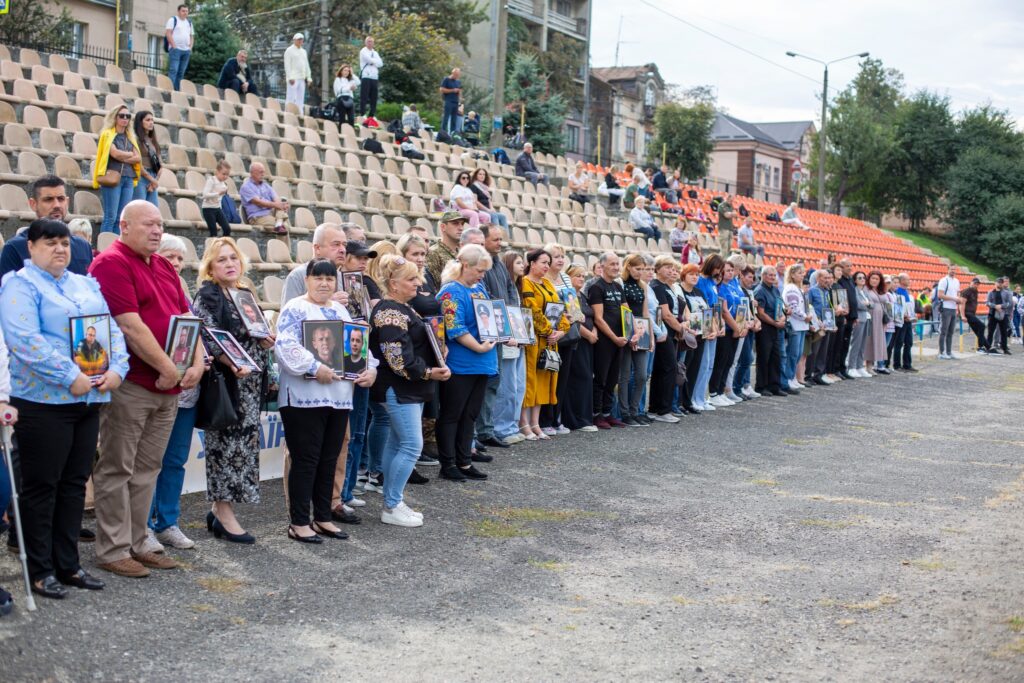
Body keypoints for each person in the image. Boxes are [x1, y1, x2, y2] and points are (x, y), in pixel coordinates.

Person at [0, 219, 127, 599]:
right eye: (50, 243)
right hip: (43, 401)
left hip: (88, 397)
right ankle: (40, 570)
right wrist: (69, 374)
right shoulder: (19, 285)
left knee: (74, 485)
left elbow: (110, 330)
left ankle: (68, 564)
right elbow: (24, 339)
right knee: (42, 487)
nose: (59, 249)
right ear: (32, 247)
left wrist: (118, 368)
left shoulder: (84, 284)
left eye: (64, 243)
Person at [88, 200, 204, 578]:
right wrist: (169, 368)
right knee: (117, 468)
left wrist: (198, 362)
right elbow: (130, 326)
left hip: (168, 386)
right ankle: (112, 548)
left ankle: (139, 541)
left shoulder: (165, 267)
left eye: (160, 224)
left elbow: (188, 317)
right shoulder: (111, 263)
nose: (156, 231)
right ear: (124, 226)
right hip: (134, 384)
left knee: (146, 469)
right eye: (148, 224)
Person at [276, 259, 375, 543]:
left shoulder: (340, 309)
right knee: (306, 460)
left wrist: (370, 369)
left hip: (339, 396)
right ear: (307, 280)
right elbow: (285, 345)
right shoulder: (295, 307)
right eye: (318, 278)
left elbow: (356, 343)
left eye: (330, 279)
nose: (324, 283)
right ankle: (298, 522)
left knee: (329, 459)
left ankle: (322, 517)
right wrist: (312, 366)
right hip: (303, 397)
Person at [191, 238, 273, 544]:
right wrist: (231, 361)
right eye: (222, 259)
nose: (229, 264)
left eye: (233, 258)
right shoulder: (207, 296)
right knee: (223, 449)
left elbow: (256, 331)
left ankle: (219, 509)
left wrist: (266, 340)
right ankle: (224, 514)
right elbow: (209, 336)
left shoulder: (245, 293)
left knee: (244, 450)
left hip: (250, 385)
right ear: (210, 267)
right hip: (226, 385)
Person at [370, 255, 450, 527]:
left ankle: (393, 502)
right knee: (411, 445)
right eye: (411, 279)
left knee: (397, 443)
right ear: (394, 284)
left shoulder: (403, 308)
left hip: (408, 388)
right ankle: (392, 505)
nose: (419, 283)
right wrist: (430, 371)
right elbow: (397, 359)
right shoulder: (389, 312)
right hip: (399, 387)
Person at [144, 234, 200, 551]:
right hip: (158, 387)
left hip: (187, 392)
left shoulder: (183, 295)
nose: (176, 263)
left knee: (175, 460)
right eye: (170, 256)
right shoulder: (150, 290)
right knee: (151, 460)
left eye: (180, 258)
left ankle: (168, 522)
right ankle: (146, 524)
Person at [435, 245, 496, 481]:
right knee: (452, 414)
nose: (482, 275)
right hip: (462, 362)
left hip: (482, 361)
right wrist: (479, 347)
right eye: (479, 270)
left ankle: (465, 461)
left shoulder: (478, 288)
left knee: (470, 415)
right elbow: (454, 327)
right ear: (465, 265)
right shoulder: (451, 291)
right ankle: (448, 463)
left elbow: (490, 319)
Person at [0, 176, 93, 282]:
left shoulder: (83, 246)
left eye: (61, 199)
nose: (57, 205)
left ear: (67, 202)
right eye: (48, 199)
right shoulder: (14, 248)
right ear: (33, 204)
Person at [519, 249, 569, 440]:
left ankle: (536, 423)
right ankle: (523, 423)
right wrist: (549, 331)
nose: (547, 266)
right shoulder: (525, 282)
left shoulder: (548, 283)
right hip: (534, 339)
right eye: (543, 262)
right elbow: (532, 309)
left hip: (550, 340)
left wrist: (561, 331)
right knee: (530, 379)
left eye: (549, 262)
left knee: (543, 380)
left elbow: (560, 310)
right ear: (531, 263)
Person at [588, 252, 627, 429]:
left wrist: (632, 333)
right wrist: (614, 337)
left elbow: (627, 313)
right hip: (605, 341)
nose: (616, 267)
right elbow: (598, 318)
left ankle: (607, 412)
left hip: (620, 340)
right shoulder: (597, 287)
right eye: (612, 264)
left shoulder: (618, 287)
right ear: (602, 266)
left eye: (617, 264)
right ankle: (596, 415)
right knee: (601, 379)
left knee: (613, 379)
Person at [93, 104, 142, 235]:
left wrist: (124, 156)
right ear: (115, 117)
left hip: (129, 178)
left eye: (128, 116)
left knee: (121, 217)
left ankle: (115, 247)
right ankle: (105, 248)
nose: (125, 119)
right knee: (110, 216)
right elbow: (115, 154)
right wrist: (129, 155)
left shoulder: (130, 136)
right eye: (122, 116)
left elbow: (138, 158)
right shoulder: (108, 134)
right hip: (113, 177)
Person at [562, 263, 597, 432]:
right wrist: (589, 334)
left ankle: (585, 417)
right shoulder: (569, 295)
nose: (581, 279)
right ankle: (576, 419)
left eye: (583, 276)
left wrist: (594, 331)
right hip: (577, 340)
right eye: (577, 276)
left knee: (586, 377)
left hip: (588, 343)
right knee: (579, 378)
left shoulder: (582, 295)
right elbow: (575, 319)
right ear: (568, 277)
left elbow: (590, 316)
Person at [616, 254, 650, 426]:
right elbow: (624, 309)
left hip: (641, 330)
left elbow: (645, 312)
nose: (640, 272)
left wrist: (648, 335)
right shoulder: (620, 283)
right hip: (626, 329)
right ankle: (624, 412)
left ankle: (635, 409)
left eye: (643, 269)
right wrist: (631, 334)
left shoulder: (643, 285)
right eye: (638, 269)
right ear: (628, 267)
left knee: (642, 375)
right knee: (624, 375)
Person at [649, 255, 683, 422]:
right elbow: (666, 315)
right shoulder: (657, 287)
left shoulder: (666, 287)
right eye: (667, 267)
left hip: (671, 331)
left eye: (673, 267)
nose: (671, 270)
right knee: (668, 368)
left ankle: (657, 408)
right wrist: (681, 329)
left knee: (663, 369)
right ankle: (663, 410)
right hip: (663, 331)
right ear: (658, 269)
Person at [753, 266, 786, 396]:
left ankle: (774, 385)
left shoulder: (775, 289)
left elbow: (780, 306)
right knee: (764, 358)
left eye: (774, 275)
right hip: (766, 328)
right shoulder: (760, 291)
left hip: (775, 328)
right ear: (763, 276)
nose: (773, 277)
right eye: (770, 275)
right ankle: (761, 386)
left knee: (775, 357)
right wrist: (774, 323)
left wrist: (783, 317)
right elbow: (760, 313)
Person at [239, 162, 290, 236]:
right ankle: (279, 223)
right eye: (260, 172)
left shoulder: (266, 186)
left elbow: (276, 199)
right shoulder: (246, 187)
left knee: (281, 205)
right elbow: (259, 202)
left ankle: (279, 223)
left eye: (263, 172)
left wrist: (281, 205)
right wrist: (277, 205)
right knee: (284, 225)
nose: (263, 174)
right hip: (258, 217)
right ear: (252, 173)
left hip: (271, 214)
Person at [781, 263, 808, 393]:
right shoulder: (791, 288)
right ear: (792, 274)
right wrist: (805, 316)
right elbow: (793, 306)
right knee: (792, 354)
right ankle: (787, 379)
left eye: (803, 273)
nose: (802, 275)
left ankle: (792, 378)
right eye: (799, 273)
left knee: (797, 354)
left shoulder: (798, 288)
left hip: (801, 325)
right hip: (795, 324)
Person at [425, 211, 467, 288]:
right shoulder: (433, 253)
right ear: (443, 227)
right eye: (455, 223)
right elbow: (434, 286)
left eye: (462, 224)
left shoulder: (462, 253)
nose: (461, 228)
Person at [846, 272, 873, 378]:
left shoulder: (864, 291)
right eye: (859, 278)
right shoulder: (854, 290)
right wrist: (867, 304)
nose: (862, 279)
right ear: (855, 280)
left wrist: (868, 304)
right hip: (859, 319)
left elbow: (872, 304)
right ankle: (851, 366)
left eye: (863, 277)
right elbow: (858, 304)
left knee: (863, 344)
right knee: (856, 344)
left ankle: (859, 366)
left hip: (867, 319)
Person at [935, 265, 964, 360]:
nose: (953, 271)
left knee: (951, 331)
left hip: (953, 308)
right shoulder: (944, 280)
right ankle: (941, 352)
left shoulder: (957, 281)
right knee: (943, 331)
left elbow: (957, 293)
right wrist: (954, 298)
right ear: (948, 270)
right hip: (946, 307)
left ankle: (948, 351)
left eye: (954, 270)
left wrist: (958, 299)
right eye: (951, 269)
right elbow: (940, 295)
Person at [132, 111, 160, 207]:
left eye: (152, 120)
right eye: (148, 120)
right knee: (139, 209)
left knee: (153, 209)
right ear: (140, 122)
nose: (151, 122)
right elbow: (137, 164)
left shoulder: (153, 140)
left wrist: (154, 181)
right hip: (140, 177)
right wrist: (152, 179)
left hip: (153, 177)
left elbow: (160, 165)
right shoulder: (135, 139)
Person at [862, 271, 888, 374]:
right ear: (869, 279)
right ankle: (866, 366)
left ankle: (871, 365)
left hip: (880, 319)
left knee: (877, 341)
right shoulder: (865, 289)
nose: (875, 281)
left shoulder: (880, 290)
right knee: (869, 341)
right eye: (873, 278)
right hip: (870, 316)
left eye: (877, 279)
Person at [890, 273, 917, 371]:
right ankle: (897, 365)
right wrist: (904, 316)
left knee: (909, 342)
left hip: (908, 320)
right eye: (907, 279)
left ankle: (907, 364)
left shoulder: (906, 291)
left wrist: (912, 315)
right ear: (902, 281)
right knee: (899, 343)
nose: (909, 281)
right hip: (901, 320)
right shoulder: (898, 291)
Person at [199, 160, 232, 237]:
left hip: (217, 209)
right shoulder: (211, 180)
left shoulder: (224, 184)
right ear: (217, 171)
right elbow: (204, 195)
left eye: (227, 175)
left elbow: (219, 199)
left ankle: (223, 245)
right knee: (213, 231)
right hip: (208, 209)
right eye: (223, 174)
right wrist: (218, 194)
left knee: (227, 229)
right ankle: (213, 247)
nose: (225, 176)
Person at [165, 4, 194, 91]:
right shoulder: (173, 20)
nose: (185, 13)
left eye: (186, 11)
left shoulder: (189, 22)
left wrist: (190, 48)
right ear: (178, 11)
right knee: (174, 70)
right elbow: (168, 33)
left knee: (181, 72)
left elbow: (191, 36)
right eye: (183, 11)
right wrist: (174, 46)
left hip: (186, 51)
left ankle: (176, 91)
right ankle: (170, 90)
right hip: (176, 50)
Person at [284, 33, 312, 109]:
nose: (300, 41)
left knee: (300, 99)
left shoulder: (304, 51)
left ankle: (299, 115)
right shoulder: (289, 50)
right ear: (294, 40)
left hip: (302, 78)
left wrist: (309, 77)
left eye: (301, 39)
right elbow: (287, 65)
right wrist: (290, 77)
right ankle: (288, 114)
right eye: (298, 39)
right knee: (291, 98)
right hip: (293, 78)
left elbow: (306, 65)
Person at [986, 277, 1013, 355]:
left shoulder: (1007, 293)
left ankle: (1004, 349)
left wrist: (1001, 306)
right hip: (992, 314)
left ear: (1002, 284)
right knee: (990, 332)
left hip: (1003, 314)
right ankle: (988, 347)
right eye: (998, 282)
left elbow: (1009, 303)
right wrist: (995, 306)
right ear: (995, 283)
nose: (999, 284)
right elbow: (987, 303)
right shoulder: (990, 292)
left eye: (1001, 283)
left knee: (1004, 332)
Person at [961, 277, 988, 353]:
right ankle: (980, 347)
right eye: (974, 283)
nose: (976, 285)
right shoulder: (966, 291)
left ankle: (988, 346)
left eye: (977, 284)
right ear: (971, 283)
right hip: (967, 313)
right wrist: (963, 316)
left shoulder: (975, 291)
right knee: (982, 326)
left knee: (978, 330)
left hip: (972, 313)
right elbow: (962, 304)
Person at [358, 36, 383, 118]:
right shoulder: (363, 51)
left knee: (374, 97)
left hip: (374, 77)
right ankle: (362, 114)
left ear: (373, 43)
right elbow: (368, 60)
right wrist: (374, 61)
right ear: (365, 42)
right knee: (364, 96)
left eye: (371, 41)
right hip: (366, 76)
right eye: (368, 41)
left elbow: (380, 64)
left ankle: (371, 115)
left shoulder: (375, 53)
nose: (370, 43)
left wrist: (373, 62)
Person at [439, 67, 462, 135]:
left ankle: (452, 134)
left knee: (454, 120)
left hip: (456, 102)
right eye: (456, 75)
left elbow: (459, 90)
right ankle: (442, 133)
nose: (457, 76)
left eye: (458, 75)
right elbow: (441, 89)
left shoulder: (458, 81)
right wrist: (452, 90)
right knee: (446, 118)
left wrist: (460, 99)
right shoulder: (446, 79)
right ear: (453, 73)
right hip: (448, 101)